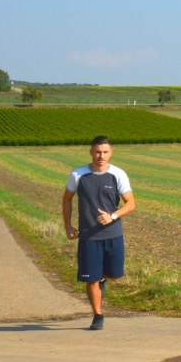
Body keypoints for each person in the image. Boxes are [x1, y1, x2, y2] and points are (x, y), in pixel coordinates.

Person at [62, 135, 135, 330]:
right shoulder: (78, 175)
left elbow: (131, 203)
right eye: (97, 152)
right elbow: (67, 199)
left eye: (104, 152)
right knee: (91, 279)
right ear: (91, 152)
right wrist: (68, 226)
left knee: (114, 274)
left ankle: (102, 278)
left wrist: (113, 216)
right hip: (88, 237)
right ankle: (98, 316)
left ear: (111, 153)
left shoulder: (118, 174)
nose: (101, 156)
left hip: (113, 235)